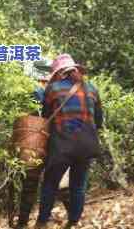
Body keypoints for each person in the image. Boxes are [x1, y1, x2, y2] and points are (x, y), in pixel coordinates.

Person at [35, 54, 103, 229]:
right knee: (78, 185)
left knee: (50, 183)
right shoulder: (92, 89)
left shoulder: (53, 89)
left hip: (62, 146)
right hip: (87, 144)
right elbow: (99, 121)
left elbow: (45, 117)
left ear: (59, 73)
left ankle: (42, 222)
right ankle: (73, 222)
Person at [15, 60, 71, 229]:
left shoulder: (40, 92)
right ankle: (73, 217)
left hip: (36, 142)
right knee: (57, 182)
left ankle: (25, 222)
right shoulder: (48, 91)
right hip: (47, 142)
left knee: (32, 184)